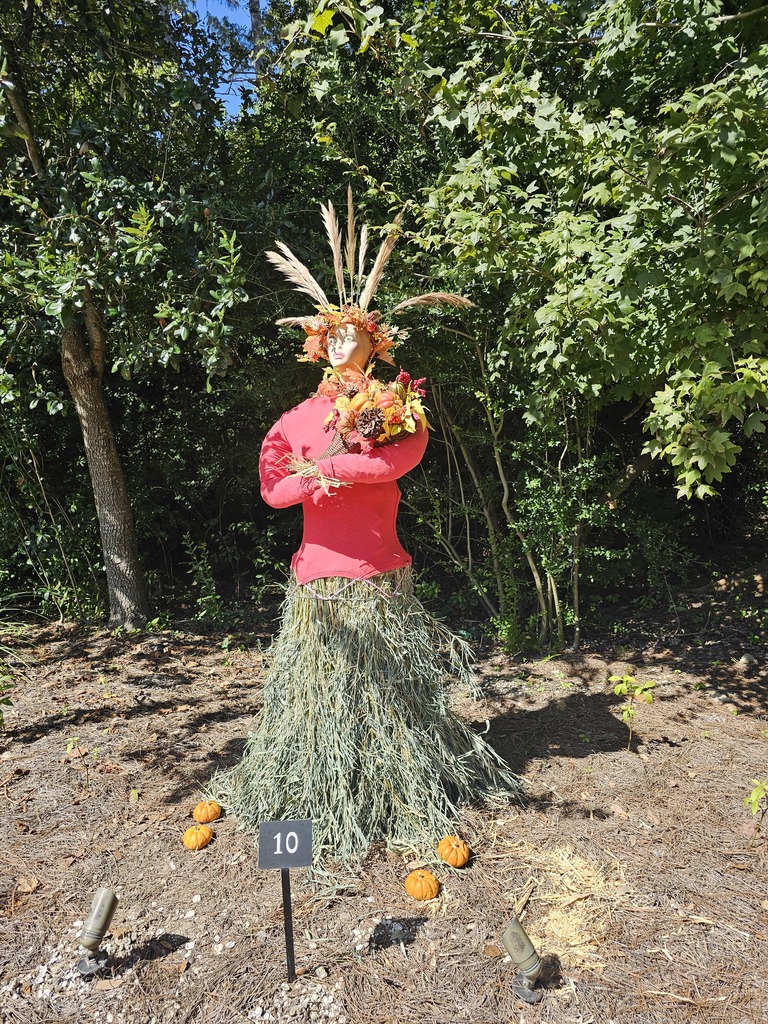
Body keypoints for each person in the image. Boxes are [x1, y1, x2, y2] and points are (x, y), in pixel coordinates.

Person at [212, 195, 518, 864]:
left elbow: (396, 461)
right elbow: (274, 489)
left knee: (389, 692)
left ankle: (394, 787)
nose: (342, 344)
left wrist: (327, 468)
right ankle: (321, 790)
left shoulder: (396, 405)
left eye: (354, 336)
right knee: (322, 691)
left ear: (376, 344)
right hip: (319, 579)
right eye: (333, 336)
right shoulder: (295, 418)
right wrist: (315, 476)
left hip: (380, 570)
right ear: (317, 345)